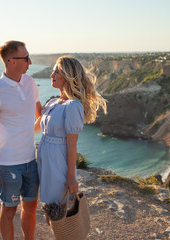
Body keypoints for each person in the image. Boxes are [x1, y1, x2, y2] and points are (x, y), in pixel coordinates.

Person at [0, 40, 43, 240]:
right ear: (11, 61)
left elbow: (40, 116)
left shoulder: (30, 82)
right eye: (25, 58)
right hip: (7, 164)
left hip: (30, 160)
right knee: (9, 211)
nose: (29, 62)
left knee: (31, 208)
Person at [36, 56, 107, 208]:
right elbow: (37, 127)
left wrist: (71, 177)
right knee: (49, 207)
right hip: (44, 158)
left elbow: (71, 144)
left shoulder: (73, 106)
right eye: (53, 72)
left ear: (68, 76)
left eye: (57, 72)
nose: (51, 75)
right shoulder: (53, 102)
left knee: (57, 208)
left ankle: (64, 233)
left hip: (57, 161)